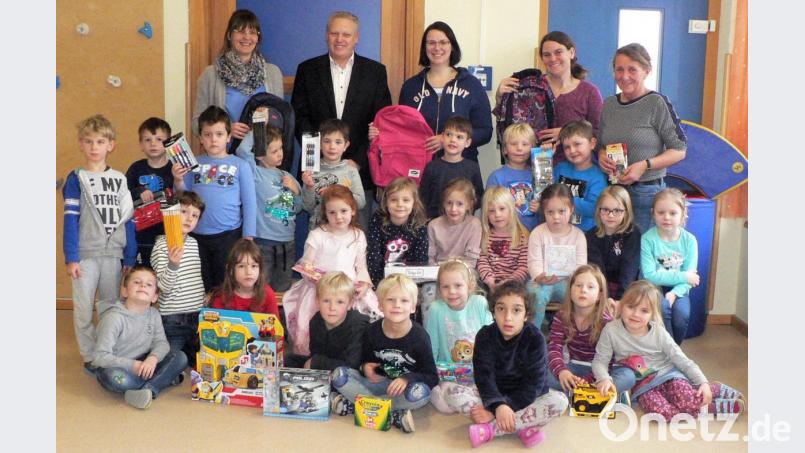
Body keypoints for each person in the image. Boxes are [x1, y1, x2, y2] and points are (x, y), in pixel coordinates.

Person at [292, 11, 392, 228]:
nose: (340, 39)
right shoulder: (307, 70)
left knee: (355, 240)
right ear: (326, 35)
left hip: (357, 173)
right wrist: (316, 159)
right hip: (318, 171)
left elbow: (381, 124)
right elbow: (301, 119)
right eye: (334, 33)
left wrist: (358, 161)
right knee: (319, 239)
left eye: (346, 34)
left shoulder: (375, 72)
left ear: (356, 38)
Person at [593, 281, 745, 421]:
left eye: (644, 310)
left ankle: (713, 389)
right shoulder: (611, 330)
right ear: (621, 305)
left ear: (652, 314)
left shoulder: (659, 333)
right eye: (631, 307)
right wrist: (603, 379)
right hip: (643, 387)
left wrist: (702, 382)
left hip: (668, 375)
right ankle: (707, 409)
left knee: (687, 400)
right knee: (661, 414)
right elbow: (600, 360)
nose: (636, 314)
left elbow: (682, 360)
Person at [441, 281, 568, 448]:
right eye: (501, 309)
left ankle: (490, 430)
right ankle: (524, 425)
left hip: (526, 398)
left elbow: (534, 386)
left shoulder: (535, 338)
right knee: (449, 390)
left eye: (516, 310)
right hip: (492, 394)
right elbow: (484, 379)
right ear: (494, 311)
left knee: (560, 401)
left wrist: (499, 409)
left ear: (526, 314)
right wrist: (497, 405)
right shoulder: (485, 335)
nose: (508, 317)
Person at [62, 114, 137, 373]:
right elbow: (70, 220)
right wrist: (71, 257)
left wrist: (129, 257)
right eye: (89, 141)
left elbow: (128, 219)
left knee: (110, 305)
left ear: (110, 144)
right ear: (81, 144)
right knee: (83, 308)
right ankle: (89, 355)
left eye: (100, 141)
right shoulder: (76, 178)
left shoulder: (119, 179)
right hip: (85, 254)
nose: (95, 147)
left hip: (113, 255)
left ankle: (106, 351)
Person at [331, 274, 439, 434]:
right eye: (390, 300)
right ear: (380, 305)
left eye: (404, 301)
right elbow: (364, 363)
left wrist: (406, 379)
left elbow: (431, 377)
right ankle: (392, 413)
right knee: (339, 375)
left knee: (421, 393)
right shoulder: (371, 331)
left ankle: (355, 406)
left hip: (402, 390)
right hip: (377, 384)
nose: (397, 305)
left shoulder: (420, 337)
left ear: (413, 307)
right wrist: (365, 367)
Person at [597, 43, 687, 233]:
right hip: (613, 193)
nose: (625, 76)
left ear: (647, 71)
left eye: (632, 69)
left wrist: (644, 165)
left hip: (646, 194)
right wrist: (601, 154)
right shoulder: (609, 104)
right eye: (619, 69)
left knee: (641, 254)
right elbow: (601, 143)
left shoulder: (656, 103)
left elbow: (679, 150)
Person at [282, 185, 380, 356]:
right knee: (310, 328)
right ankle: (312, 360)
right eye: (332, 212)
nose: (339, 217)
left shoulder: (358, 235)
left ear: (353, 210)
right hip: (320, 290)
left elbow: (361, 267)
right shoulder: (318, 235)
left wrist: (364, 284)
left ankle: (350, 356)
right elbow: (307, 266)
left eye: (343, 211)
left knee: (363, 322)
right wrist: (318, 281)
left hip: (348, 290)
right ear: (325, 213)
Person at [172, 106, 257, 292]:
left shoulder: (240, 165)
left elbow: (250, 203)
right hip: (195, 236)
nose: (213, 139)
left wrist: (248, 238)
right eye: (208, 134)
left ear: (229, 137)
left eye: (219, 134)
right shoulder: (192, 163)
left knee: (225, 284)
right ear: (200, 138)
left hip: (228, 235)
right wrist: (178, 179)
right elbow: (182, 199)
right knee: (199, 283)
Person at [495, 31, 603, 163]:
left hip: (573, 170)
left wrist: (567, 133)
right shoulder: (530, 87)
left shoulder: (589, 92)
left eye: (558, 52)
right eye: (547, 55)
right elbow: (509, 126)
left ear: (572, 53)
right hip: (531, 168)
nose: (552, 59)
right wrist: (500, 97)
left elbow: (598, 133)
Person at [91, 266, 187, 410]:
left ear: (155, 296)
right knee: (114, 378)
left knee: (180, 357)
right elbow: (99, 357)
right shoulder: (114, 318)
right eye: (137, 282)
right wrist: (132, 365)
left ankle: (147, 389)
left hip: (144, 362)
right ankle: (160, 381)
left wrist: (152, 358)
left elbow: (161, 343)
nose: (143, 285)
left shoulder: (154, 314)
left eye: (149, 284)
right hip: (118, 366)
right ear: (124, 291)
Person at [397, 21, 492, 162]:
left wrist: (448, 140)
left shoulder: (471, 84)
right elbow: (401, 130)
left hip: (461, 170)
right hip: (420, 168)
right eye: (431, 43)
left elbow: (485, 131)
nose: (437, 48)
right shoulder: (411, 87)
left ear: (452, 46)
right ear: (424, 47)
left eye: (443, 42)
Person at [546, 265, 635, 399]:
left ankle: (579, 393)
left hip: (603, 370)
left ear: (599, 294)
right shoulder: (561, 316)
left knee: (628, 376)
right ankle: (594, 394)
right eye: (578, 285)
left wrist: (591, 380)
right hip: (573, 367)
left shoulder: (606, 322)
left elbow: (608, 360)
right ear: (570, 290)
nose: (583, 290)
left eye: (590, 287)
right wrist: (562, 372)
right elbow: (554, 348)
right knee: (541, 371)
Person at [193, 9, 283, 139]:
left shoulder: (273, 73)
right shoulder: (210, 75)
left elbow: (281, 118)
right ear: (229, 35)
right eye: (241, 31)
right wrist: (225, 129)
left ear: (258, 38)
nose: (247, 37)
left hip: (264, 156)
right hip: (225, 155)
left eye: (252, 32)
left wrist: (270, 118)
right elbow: (197, 123)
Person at [236, 119, 302, 291]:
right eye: (274, 151)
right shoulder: (255, 173)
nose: (280, 153)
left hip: (287, 242)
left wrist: (296, 190)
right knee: (262, 287)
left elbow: (299, 207)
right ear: (260, 155)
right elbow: (242, 150)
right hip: (263, 242)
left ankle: (279, 316)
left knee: (283, 286)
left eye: (281, 148)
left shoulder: (286, 175)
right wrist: (259, 126)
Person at [425, 260, 493, 414]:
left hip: (479, 371)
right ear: (439, 289)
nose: (452, 292)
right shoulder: (436, 309)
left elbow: (491, 340)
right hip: (449, 373)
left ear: (470, 286)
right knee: (447, 405)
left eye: (458, 285)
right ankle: (445, 394)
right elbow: (431, 346)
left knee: (497, 389)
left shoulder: (479, 303)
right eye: (445, 287)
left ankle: (474, 401)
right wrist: (431, 374)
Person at [150, 191, 206, 368]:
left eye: (195, 215)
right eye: (184, 212)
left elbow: (195, 276)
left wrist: (203, 296)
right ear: (172, 214)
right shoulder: (161, 244)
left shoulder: (194, 243)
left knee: (205, 363)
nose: (189, 219)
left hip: (197, 319)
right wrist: (173, 264)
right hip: (173, 321)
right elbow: (163, 287)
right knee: (169, 363)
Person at [640, 188, 699, 345]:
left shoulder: (690, 240)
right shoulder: (647, 239)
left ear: (683, 214)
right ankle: (669, 354)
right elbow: (650, 275)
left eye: (673, 213)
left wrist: (675, 293)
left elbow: (690, 279)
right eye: (661, 212)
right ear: (653, 213)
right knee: (662, 307)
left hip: (679, 288)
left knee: (681, 315)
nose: (666, 217)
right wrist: (684, 276)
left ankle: (673, 351)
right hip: (654, 287)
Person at [527, 183, 587, 329]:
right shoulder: (537, 233)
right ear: (543, 212)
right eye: (550, 212)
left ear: (571, 209)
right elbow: (533, 261)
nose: (556, 217)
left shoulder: (578, 236)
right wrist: (540, 277)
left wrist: (573, 279)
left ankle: (572, 333)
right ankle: (533, 334)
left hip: (568, 282)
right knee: (536, 294)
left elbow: (581, 266)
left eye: (562, 211)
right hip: (542, 281)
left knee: (581, 294)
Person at [284, 272, 369, 370]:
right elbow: (315, 354)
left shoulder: (358, 325)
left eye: (340, 302)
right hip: (327, 366)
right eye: (326, 301)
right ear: (317, 301)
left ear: (350, 304)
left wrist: (317, 362)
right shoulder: (316, 321)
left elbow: (352, 365)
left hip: (352, 373)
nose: (332, 307)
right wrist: (315, 362)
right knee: (288, 359)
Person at [125, 117, 174, 267]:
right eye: (147, 140)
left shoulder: (174, 168)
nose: (153, 144)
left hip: (167, 233)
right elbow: (123, 194)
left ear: (168, 142)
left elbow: (182, 196)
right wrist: (139, 191)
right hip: (140, 234)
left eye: (159, 139)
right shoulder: (136, 168)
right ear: (141, 144)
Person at [301, 119, 365, 229]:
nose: (332, 147)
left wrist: (334, 192)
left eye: (338, 142)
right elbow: (307, 207)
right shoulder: (311, 171)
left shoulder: (350, 170)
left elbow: (361, 202)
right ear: (319, 144)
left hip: (345, 232)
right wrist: (309, 187)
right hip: (319, 231)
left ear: (346, 145)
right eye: (327, 141)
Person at [366, 177, 429, 287]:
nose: (400, 204)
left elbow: (420, 260)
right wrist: (378, 283)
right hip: (381, 278)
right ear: (386, 202)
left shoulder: (419, 226)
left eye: (406, 200)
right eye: (394, 200)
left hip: (409, 281)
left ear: (414, 203)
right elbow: (373, 255)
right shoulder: (377, 220)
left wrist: (412, 286)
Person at [418, 116, 484, 219]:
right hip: (435, 223)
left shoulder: (472, 168)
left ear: (467, 143)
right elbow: (423, 198)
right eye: (449, 135)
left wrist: (463, 211)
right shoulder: (431, 167)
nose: (453, 140)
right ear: (442, 137)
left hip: (463, 223)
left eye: (459, 137)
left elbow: (478, 197)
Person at [586, 185, 641, 304]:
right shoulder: (591, 236)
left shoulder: (633, 234)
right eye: (605, 209)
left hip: (626, 289)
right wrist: (607, 299)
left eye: (617, 210)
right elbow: (598, 271)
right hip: (601, 289)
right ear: (598, 211)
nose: (610, 215)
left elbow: (629, 270)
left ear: (626, 212)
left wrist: (620, 300)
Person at [553, 120, 607, 232]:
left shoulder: (598, 176)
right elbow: (547, 193)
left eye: (577, 144)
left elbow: (595, 208)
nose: (572, 150)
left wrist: (565, 201)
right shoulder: (559, 169)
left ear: (592, 143)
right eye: (567, 147)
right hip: (558, 231)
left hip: (587, 234)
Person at [486, 123, 540, 231]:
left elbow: (550, 204)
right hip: (507, 235)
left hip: (535, 234)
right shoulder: (496, 177)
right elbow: (489, 210)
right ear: (505, 149)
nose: (519, 148)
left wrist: (541, 208)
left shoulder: (538, 174)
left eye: (525, 144)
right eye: (514, 144)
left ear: (533, 149)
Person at [477, 186, 530, 292]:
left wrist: (508, 282)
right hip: (489, 284)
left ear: (511, 209)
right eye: (491, 211)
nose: (497, 215)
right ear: (486, 214)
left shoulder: (522, 236)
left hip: (514, 284)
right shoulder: (484, 235)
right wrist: (490, 281)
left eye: (502, 209)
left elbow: (524, 266)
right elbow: (482, 262)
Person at [210, 239, 279, 317]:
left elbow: (275, 327)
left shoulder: (268, 294)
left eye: (254, 266)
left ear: (260, 269)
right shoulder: (220, 296)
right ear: (231, 270)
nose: (248, 272)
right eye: (241, 266)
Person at [427, 178, 483, 267]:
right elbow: (430, 258)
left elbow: (471, 262)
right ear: (443, 203)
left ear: (469, 205)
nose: (453, 209)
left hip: (464, 272)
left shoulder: (474, 225)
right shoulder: (433, 226)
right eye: (449, 203)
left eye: (459, 204)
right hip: (438, 271)